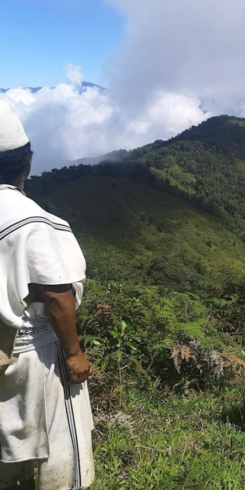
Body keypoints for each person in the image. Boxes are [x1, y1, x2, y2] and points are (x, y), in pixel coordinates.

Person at [0, 100, 94, 489]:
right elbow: (56, 294)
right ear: (28, 163)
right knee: (61, 448)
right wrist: (73, 354)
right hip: (32, 354)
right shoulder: (33, 222)